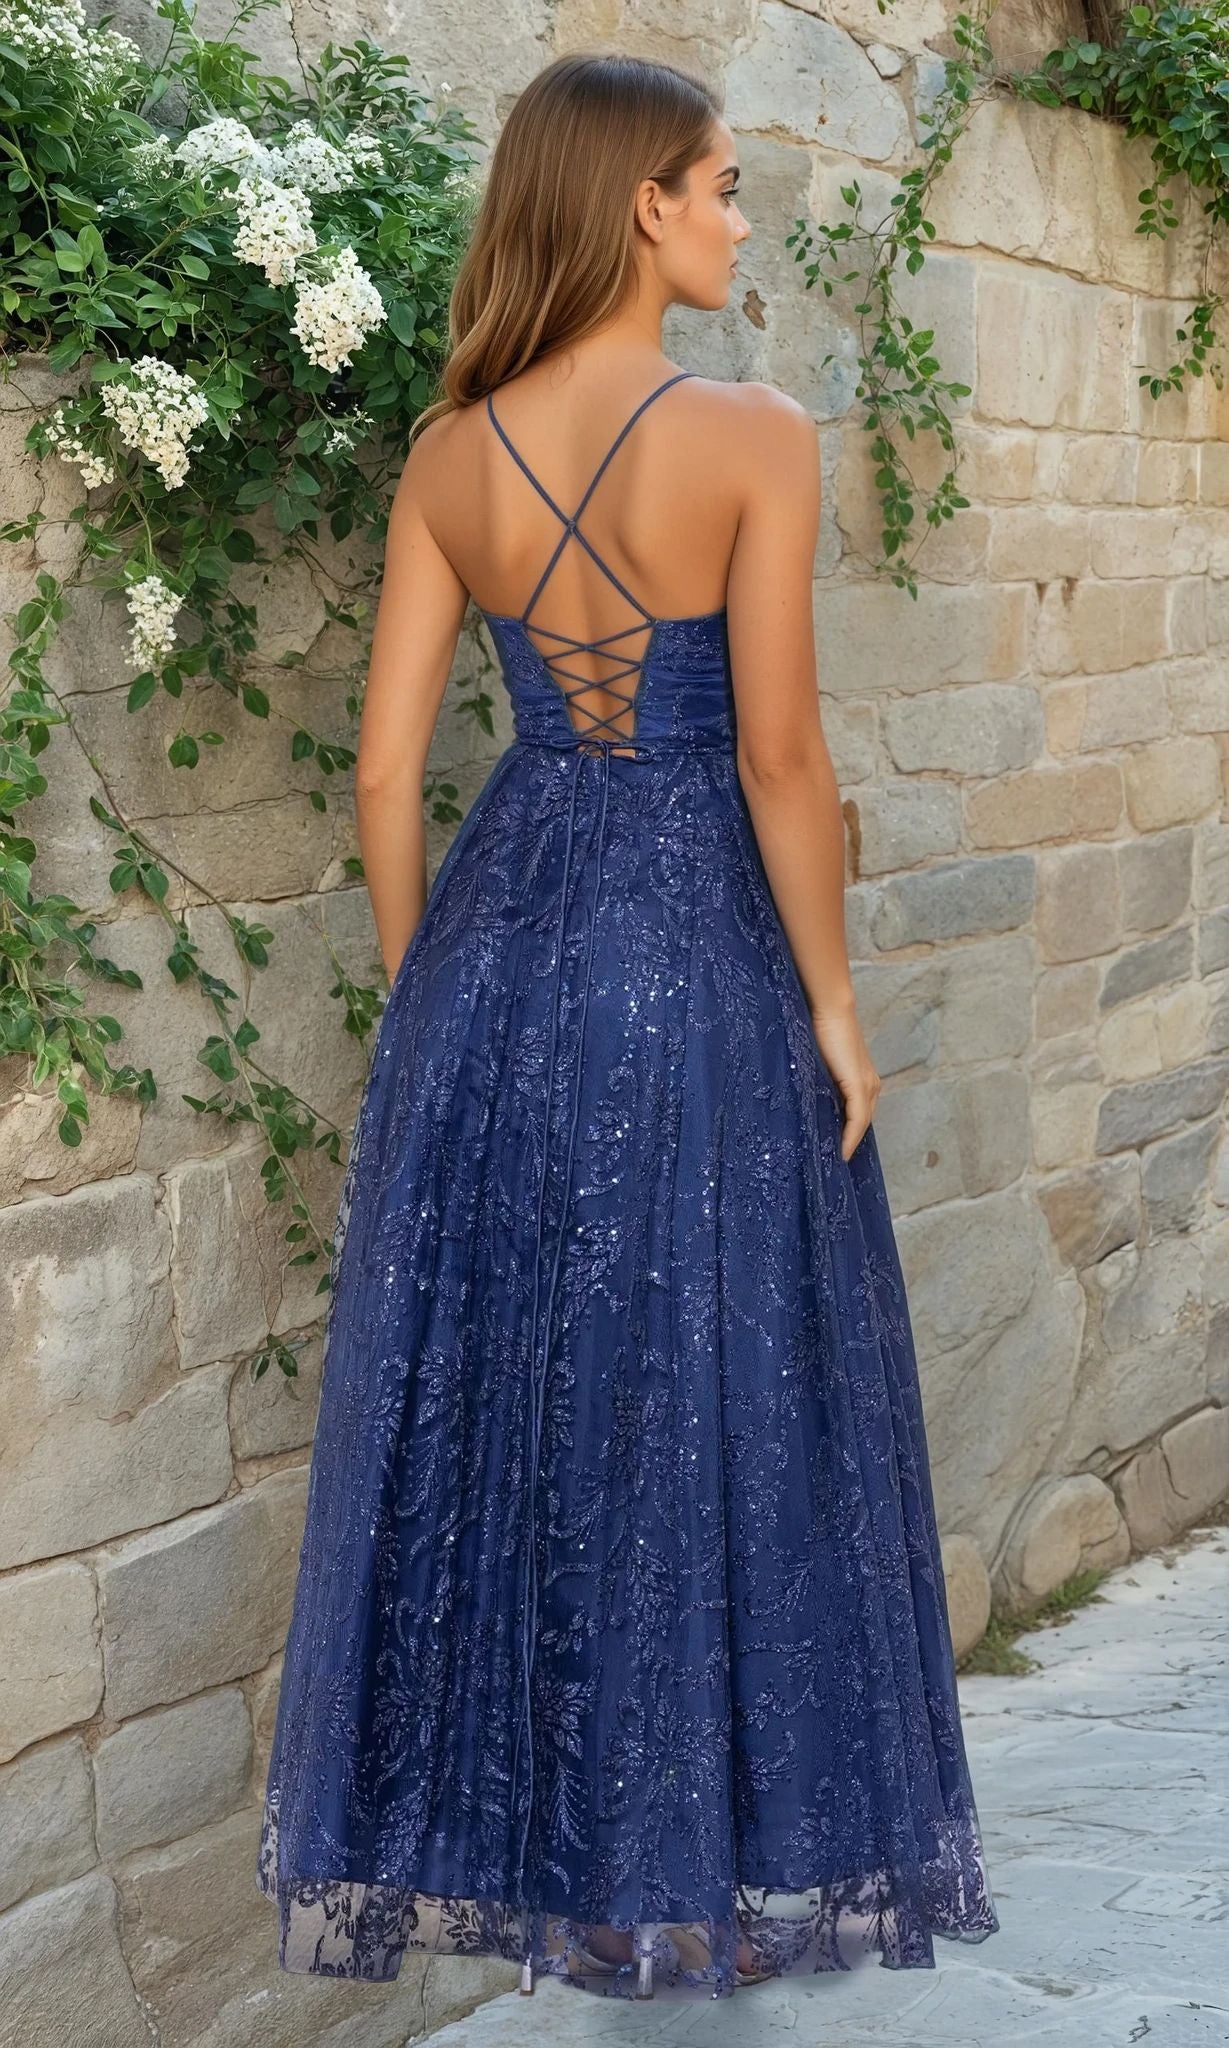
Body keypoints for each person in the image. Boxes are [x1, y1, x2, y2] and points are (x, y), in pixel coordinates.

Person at [258, 48, 1000, 2004]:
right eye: (723, 184)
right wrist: (838, 1004)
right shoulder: (754, 438)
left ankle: (578, 1876)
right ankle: (694, 1880)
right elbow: (777, 755)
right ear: (640, 207)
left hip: (499, 960)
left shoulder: (448, 456)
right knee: (716, 1409)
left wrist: (437, 1008)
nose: (743, 217)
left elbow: (384, 778)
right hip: (700, 962)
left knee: (541, 1431)